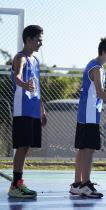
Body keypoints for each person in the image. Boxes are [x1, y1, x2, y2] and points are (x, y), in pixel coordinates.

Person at [69, 37, 106, 198]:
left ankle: (77, 184)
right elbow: (101, 93)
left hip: (86, 114)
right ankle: (85, 184)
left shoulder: (94, 65)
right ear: (104, 52)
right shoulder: (96, 68)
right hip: (89, 115)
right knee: (88, 150)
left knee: (83, 149)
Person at [9, 25, 47, 198]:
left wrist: (42, 110)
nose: (40, 43)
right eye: (38, 39)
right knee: (22, 147)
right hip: (22, 109)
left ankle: (18, 183)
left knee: (26, 148)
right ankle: (15, 185)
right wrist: (23, 84)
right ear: (29, 39)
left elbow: (37, 88)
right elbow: (17, 76)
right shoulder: (20, 57)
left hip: (33, 110)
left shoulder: (36, 61)